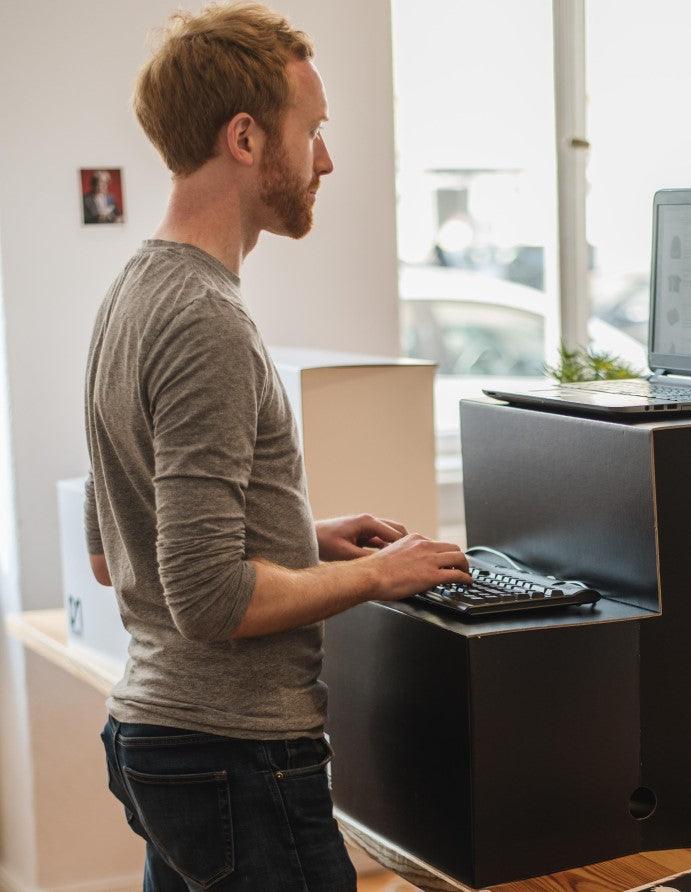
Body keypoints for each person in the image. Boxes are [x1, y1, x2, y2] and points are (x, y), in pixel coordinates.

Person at [83, 4, 472, 889]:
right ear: (248, 137)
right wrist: (380, 574)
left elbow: (115, 553)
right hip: (233, 756)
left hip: (161, 739)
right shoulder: (204, 321)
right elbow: (209, 598)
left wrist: (303, 536)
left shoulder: (128, 296)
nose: (326, 160)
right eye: (315, 131)